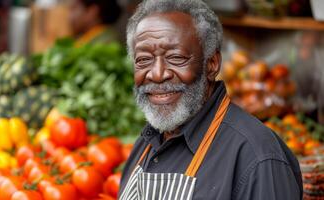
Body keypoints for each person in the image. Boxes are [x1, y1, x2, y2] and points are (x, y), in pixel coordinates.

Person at [119, 0, 303, 199]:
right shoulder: (146, 143)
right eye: (143, 60)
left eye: (176, 58)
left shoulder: (257, 157)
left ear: (212, 65)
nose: (157, 74)